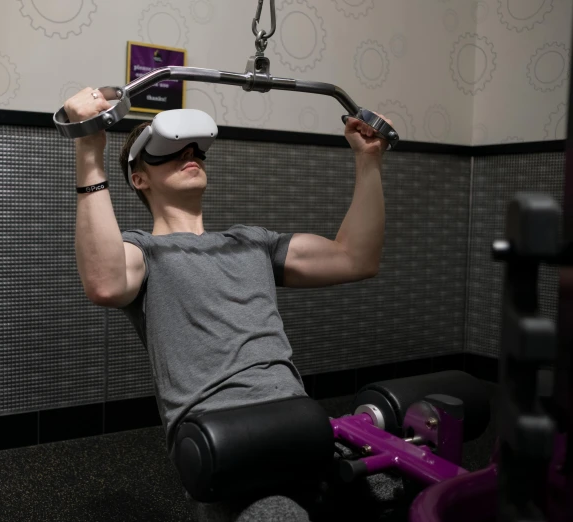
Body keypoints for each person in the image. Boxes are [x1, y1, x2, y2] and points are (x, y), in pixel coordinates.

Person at [66, 88, 391, 521]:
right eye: (168, 150)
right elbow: (104, 283)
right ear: (139, 177)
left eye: (197, 148)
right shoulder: (143, 253)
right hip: (226, 438)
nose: (190, 153)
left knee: (397, 490)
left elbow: (356, 259)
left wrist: (368, 161)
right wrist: (89, 146)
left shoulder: (251, 242)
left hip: (299, 424)